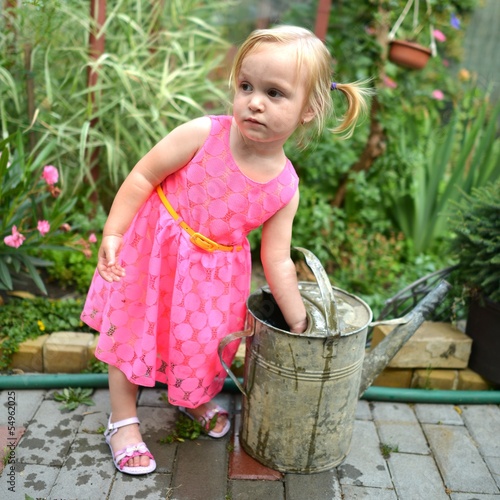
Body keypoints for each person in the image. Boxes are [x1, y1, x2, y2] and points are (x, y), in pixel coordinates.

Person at [81, 24, 372, 475]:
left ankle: (190, 397)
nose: (254, 101)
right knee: (133, 333)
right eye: (246, 86)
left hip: (214, 276)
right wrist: (114, 233)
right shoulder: (203, 134)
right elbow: (142, 177)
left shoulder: (284, 187)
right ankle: (123, 419)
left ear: (309, 110)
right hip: (156, 254)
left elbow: (276, 258)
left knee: (202, 343)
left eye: (275, 93)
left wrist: (298, 319)